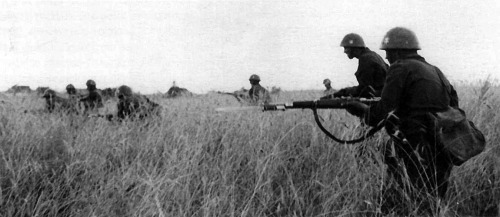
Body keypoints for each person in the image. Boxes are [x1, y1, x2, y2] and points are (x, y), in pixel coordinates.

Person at [345, 27, 457, 214]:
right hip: (442, 145)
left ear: (397, 51)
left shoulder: (400, 67)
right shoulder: (435, 71)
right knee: (433, 201)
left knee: (409, 199)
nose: (387, 59)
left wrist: (359, 109)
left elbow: (378, 115)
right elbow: (453, 104)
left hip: (413, 146)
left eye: (388, 53)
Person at [331, 33, 388, 98]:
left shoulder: (365, 59)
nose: (345, 51)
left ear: (354, 48)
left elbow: (365, 89)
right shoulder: (373, 55)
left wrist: (342, 92)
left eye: (346, 48)